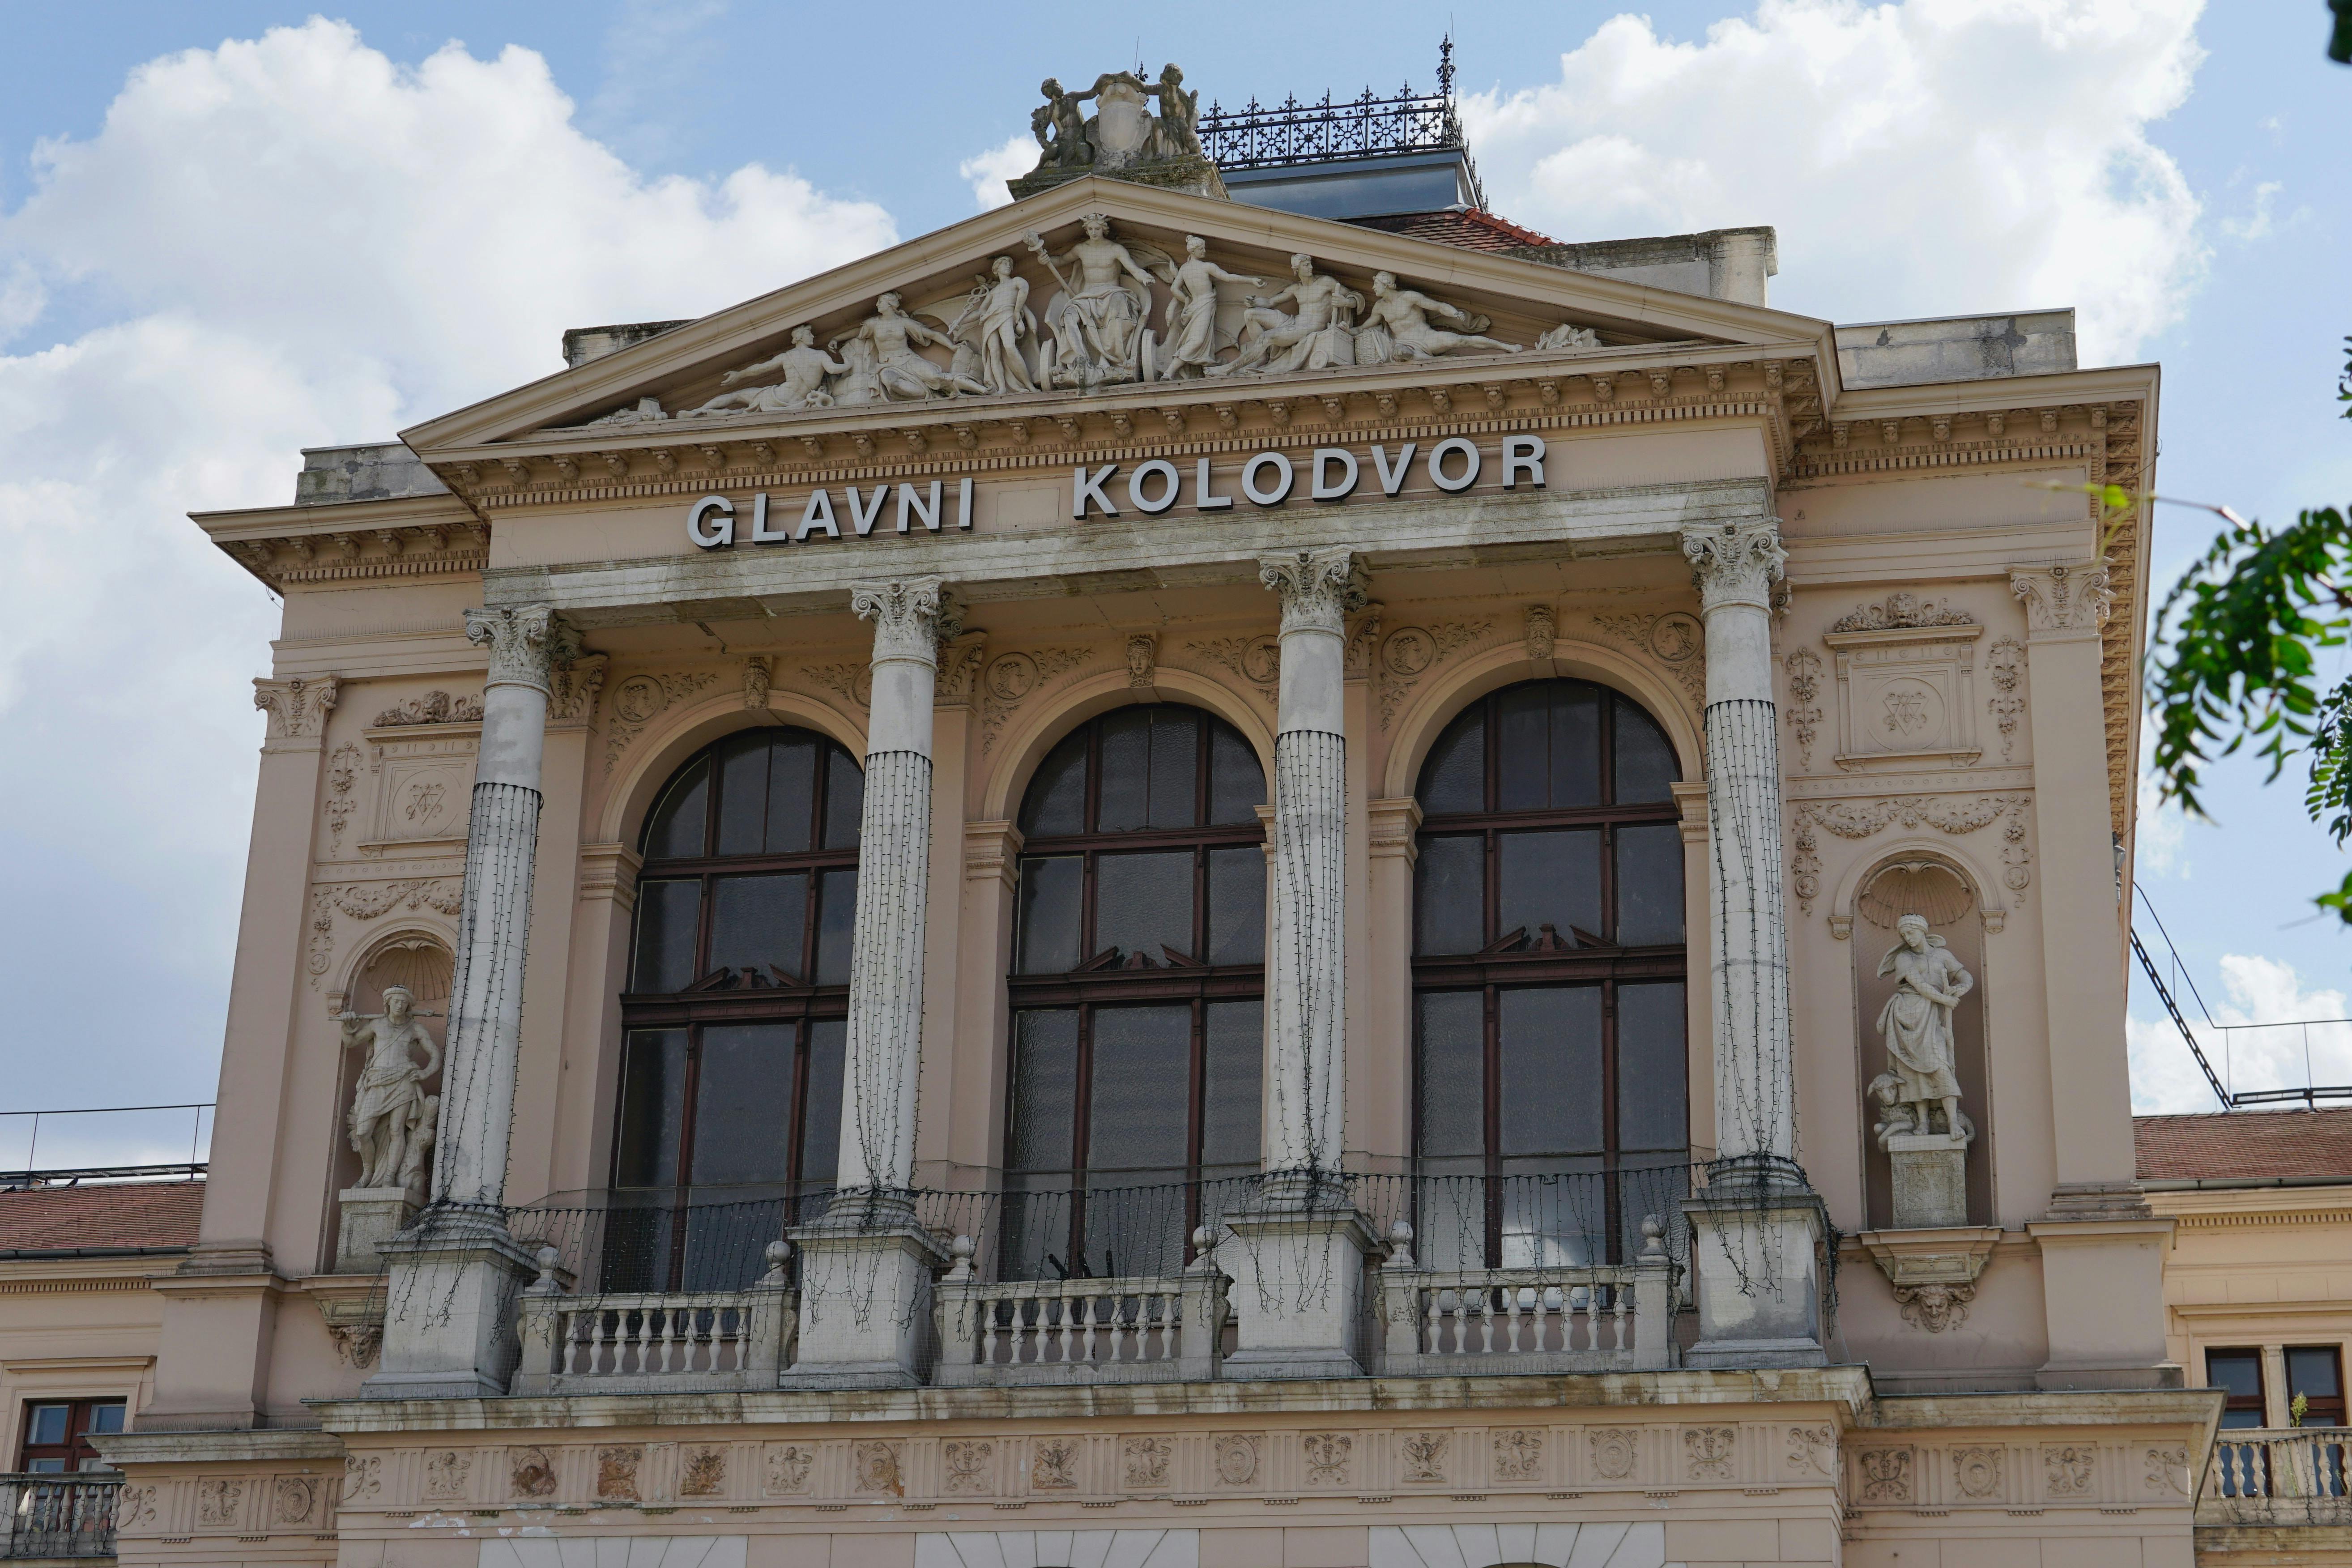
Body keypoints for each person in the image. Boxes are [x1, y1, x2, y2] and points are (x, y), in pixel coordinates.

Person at [1875, 914, 1973, 1139]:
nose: (1907, 938)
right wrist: (1945, 999)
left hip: (1933, 1017)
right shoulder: (1904, 958)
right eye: (1903, 934)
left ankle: (1953, 1123)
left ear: (1923, 931)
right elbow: (1918, 985)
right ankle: (1922, 1123)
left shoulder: (1943, 955)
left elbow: (1962, 974)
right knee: (1912, 1071)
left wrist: (1963, 987)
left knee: (1941, 1066)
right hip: (1908, 1014)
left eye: (1911, 932)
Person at [339, 985, 441, 1190]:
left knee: (397, 1130)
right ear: (388, 1003)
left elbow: (435, 1055)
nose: (400, 1005)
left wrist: (424, 1073)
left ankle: (389, 1177)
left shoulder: (415, 1029)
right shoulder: (377, 1025)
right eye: (396, 1001)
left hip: (403, 1081)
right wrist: (347, 1025)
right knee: (363, 1131)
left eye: (404, 1002)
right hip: (377, 1082)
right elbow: (351, 1041)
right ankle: (368, 1172)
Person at [1207, 254, 1361, 378]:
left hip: (1311, 326)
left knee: (1267, 337)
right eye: (1306, 265)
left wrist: (1346, 302)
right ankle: (1261, 357)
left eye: (1310, 264)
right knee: (1251, 314)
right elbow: (1270, 302)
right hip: (1295, 322)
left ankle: (1228, 369)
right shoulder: (1296, 289)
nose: (1311, 268)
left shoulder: (1325, 282)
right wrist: (1255, 302)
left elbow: (1355, 297)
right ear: (1297, 270)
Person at [843, 293, 989, 401]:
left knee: (937, 377)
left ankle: (984, 390)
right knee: (890, 382)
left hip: (909, 360)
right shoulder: (873, 324)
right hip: (888, 365)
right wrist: (837, 338)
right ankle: (931, 395)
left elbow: (933, 335)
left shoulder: (904, 323)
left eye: (880, 302)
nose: (877, 305)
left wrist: (952, 347)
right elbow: (858, 332)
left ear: (890, 305)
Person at [1355, 271, 1521, 363]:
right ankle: (1441, 361)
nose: (1373, 288)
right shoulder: (1380, 307)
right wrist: (1349, 330)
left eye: (1376, 284)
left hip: (1427, 339)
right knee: (1401, 353)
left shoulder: (1409, 297)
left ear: (1387, 285)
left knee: (1460, 341)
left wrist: (1454, 313)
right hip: (1403, 344)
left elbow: (1438, 306)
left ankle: (1506, 347)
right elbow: (1365, 327)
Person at [679, 325, 846, 416]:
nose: (814, 337)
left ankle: (698, 411)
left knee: (738, 396)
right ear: (801, 337)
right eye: (810, 334)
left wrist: (740, 374)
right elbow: (834, 369)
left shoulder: (786, 356)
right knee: (742, 407)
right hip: (801, 401)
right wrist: (849, 361)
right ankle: (717, 413)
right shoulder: (820, 355)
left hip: (778, 397)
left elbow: (761, 369)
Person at [1159, 235, 1261, 379]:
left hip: (1196, 306)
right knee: (1198, 340)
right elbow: (1228, 277)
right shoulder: (1206, 267)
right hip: (1203, 306)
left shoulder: (1184, 269)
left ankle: (1208, 366)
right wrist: (1251, 280)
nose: (1204, 251)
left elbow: (1175, 289)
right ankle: (1170, 371)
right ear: (1193, 251)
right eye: (1201, 249)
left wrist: (1187, 300)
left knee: (1206, 340)